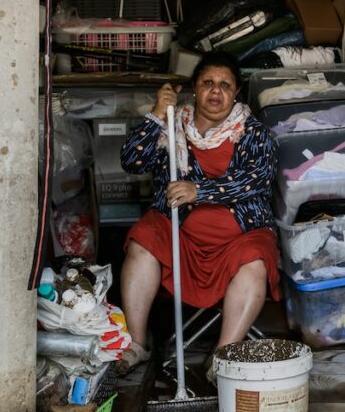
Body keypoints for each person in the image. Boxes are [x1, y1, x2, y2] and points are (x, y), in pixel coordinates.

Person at [117, 51, 280, 375]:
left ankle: (223, 357)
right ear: (194, 87)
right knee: (144, 237)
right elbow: (131, 163)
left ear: (236, 92)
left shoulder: (254, 133)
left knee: (255, 259)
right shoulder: (172, 125)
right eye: (208, 83)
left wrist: (200, 191)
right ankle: (137, 344)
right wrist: (157, 115)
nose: (216, 91)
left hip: (241, 234)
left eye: (224, 85)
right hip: (180, 233)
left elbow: (257, 180)